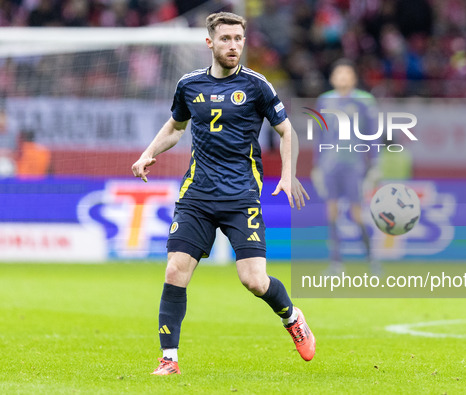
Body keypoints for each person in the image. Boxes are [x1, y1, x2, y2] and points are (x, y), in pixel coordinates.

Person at [131, 12, 314, 375]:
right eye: (226, 38)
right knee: (174, 271)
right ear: (210, 43)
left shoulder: (258, 86)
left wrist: (288, 175)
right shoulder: (189, 85)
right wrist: (149, 152)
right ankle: (169, 359)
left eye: (238, 39)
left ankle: (292, 316)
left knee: (254, 280)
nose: (233, 45)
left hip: (241, 195)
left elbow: (287, 131)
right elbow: (175, 126)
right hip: (196, 195)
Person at [311, 59, 379, 274]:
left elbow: (373, 134)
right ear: (332, 78)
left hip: (354, 164)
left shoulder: (365, 101)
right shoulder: (324, 101)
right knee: (331, 211)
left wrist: (375, 163)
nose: (342, 78)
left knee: (357, 212)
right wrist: (316, 165)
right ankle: (336, 262)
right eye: (338, 74)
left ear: (354, 78)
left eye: (346, 74)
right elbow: (319, 135)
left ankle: (371, 259)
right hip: (330, 164)